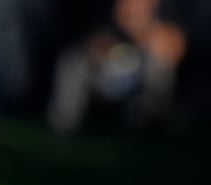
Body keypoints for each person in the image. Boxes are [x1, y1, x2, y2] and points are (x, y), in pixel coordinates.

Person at [47, 0, 185, 136]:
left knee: (158, 64)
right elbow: (90, 41)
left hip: (140, 83)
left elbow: (175, 47)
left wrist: (141, 33)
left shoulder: (167, 14)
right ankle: (65, 126)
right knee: (72, 60)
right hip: (106, 74)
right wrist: (104, 43)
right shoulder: (106, 11)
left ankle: (143, 126)